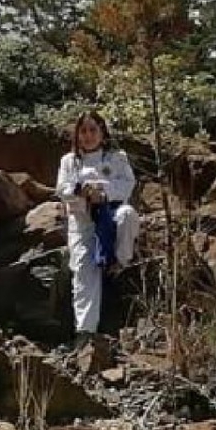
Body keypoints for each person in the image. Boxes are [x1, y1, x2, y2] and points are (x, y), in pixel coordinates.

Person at [56, 110, 139, 338]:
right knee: (84, 272)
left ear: (103, 132)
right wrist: (80, 191)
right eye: (83, 131)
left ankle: (118, 263)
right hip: (82, 224)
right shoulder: (70, 161)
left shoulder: (117, 158)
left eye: (93, 130)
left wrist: (102, 191)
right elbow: (62, 189)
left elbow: (127, 184)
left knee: (128, 215)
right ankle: (85, 332)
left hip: (110, 216)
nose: (88, 136)